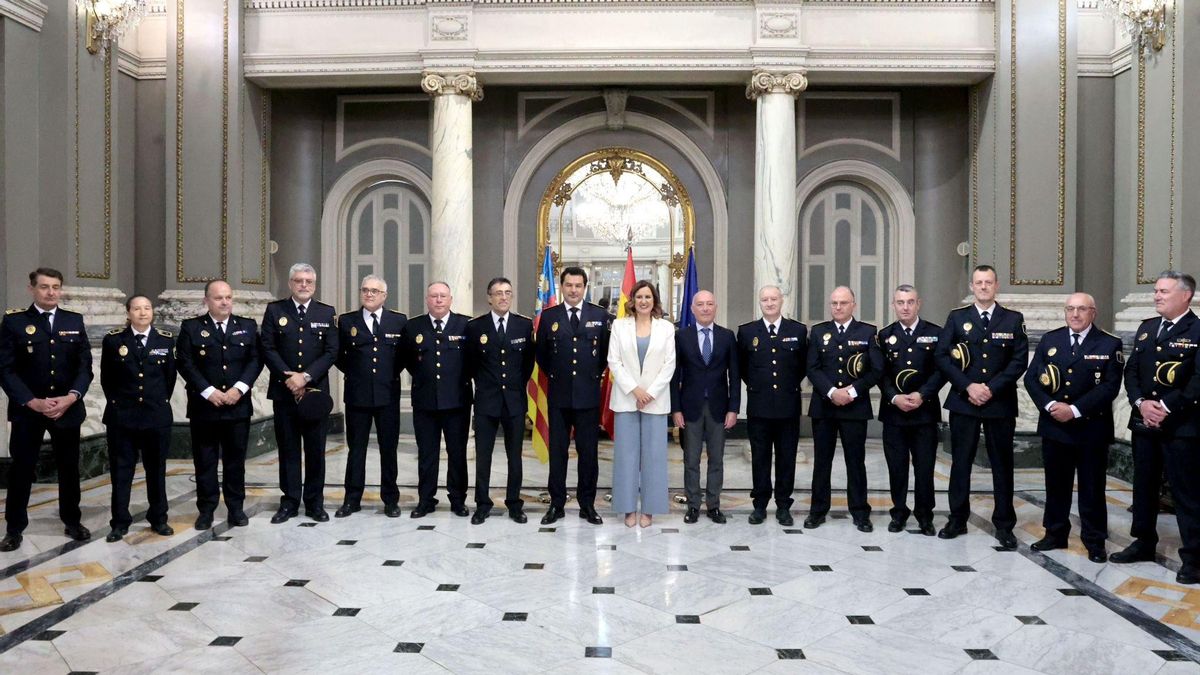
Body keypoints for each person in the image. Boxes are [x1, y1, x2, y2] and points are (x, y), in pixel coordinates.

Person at [1023, 293, 1122, 564]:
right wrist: (1050, 405)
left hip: (1091, 428)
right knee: (1056, 485)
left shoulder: (1109, 343)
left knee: (1092, 487)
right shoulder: (1050, 340)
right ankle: (1055, 533)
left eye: (1081, 309)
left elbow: (1110, 387)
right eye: (1070, 309)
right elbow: (1032, 379)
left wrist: (1075, 410)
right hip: (1055, 425)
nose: (1075, 314)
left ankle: (1094, 540)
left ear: (1093, 312)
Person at [1115, 271, 1200, 584]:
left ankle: (1194, 557)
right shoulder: (1147, 328)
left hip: (1182, 426)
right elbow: (1132, 371)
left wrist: (1164, 406)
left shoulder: (1197, 330)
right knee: (1144, 486)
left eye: (1164, 291)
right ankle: (1143, 542)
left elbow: (1198, 380)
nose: (1157, 296)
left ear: (1185, 296)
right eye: (1156, 291)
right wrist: (1141, 403)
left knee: (1186, 493)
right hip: (1145, 422)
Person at [0, 268, 94, 551]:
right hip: (28, 410)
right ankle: (14, 529)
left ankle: (72, 521)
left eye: (55, 287)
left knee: (69, 468)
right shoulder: (15, 321)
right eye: (44, 287)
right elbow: (6, 369)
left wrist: (71, 397)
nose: (51, 292)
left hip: (67, 409)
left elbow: (84, 367)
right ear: (32, 289)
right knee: (21, 469)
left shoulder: (73, 320)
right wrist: (32, 401)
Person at [935, 264, 1028, 549]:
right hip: (965, 401)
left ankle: (1004, 525)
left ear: (996, 285)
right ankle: (957, 519)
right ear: (972, 287)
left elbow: (1019, 360)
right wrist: (968, 386)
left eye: (988, 282)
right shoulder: (957, 317)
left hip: (999, 402)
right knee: (961, 462)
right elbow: (942, 356)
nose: (984, 287)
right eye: (979, 282)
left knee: (1002, 465)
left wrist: (991, 388)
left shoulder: (1012, 319)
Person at [176, 280, 263, 530]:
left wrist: (239, 389)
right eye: (218, 298)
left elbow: (255, 360)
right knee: (205, 461)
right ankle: (206, 510)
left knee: (235, 461)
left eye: (228, 297)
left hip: (237, 406)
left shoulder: (246, 326)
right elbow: (185, 362)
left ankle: (236, 508)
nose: (225, 302)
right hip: (205, 407)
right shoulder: (191, 327)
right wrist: (208, 391)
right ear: (206, 301)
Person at [260, 263, 339, 524]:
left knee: (316, 450)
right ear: (290, 283)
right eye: (298, 280)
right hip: (284, 394)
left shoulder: (326, 312)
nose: (303, 285)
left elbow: (331, 351)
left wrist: (305, 377)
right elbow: (267, 347)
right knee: (288, 450)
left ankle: (315, 503)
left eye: (308, 281)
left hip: (315, 394)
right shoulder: (275, 310)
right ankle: (290, 502)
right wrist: (290, 378)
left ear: (314, 285)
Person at [535, 266, 612, 525]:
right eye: (568, 285)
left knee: (588, 454)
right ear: (561, 287)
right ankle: (556, 504)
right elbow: (542, 355)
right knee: (558, 453)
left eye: (578, 285)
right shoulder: (549, 316)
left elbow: (604, 355)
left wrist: (590, 377)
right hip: (558, 396)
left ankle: (587, 505)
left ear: (585, 287)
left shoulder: (599, 315)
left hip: (588, 397)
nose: (573, 290)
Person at [804, 286, 883, 532]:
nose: (838, 307)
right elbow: (812, 367)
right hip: (824, 407)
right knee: (822, 461)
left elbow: (876, 369)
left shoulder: (868, 332)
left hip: (854, 407)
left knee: (855, 461)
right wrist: (831, 392)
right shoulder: (819, 332)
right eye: (834, 303)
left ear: (853, 305)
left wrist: (852, 391)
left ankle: (860, 512)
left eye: (843, 303)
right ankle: (817, 511)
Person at [100, 295, 178, 542]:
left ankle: (159, 518)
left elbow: (169, 379)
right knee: (121, 471)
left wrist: (155, 402)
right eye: (137, 308)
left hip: (156, 416)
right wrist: (122, 404)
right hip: (122, 417)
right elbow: (107, 379)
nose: (143, 313)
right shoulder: (114, 340)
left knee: (157, 470)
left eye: (147, 308)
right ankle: (119, 522)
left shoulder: (165, 340)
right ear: (128, 313)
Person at [334, 275, 407, 519]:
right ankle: (352, 499)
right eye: (365, 290)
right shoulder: (346, 321)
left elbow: (403, 357)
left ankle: (391, 500)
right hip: (357, 395)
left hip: (388, 395)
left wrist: (386, 375)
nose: (369, 294)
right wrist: (358, 374)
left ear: (384, 296)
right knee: (356, 450)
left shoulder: (398, 321)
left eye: (375, 291)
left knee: (389, 449)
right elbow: (338, 355)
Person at [464, 277, 535, 524]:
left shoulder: (523, 325)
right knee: (483, 457)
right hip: (486, 402)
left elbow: (527, 364)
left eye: (507, 292)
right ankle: (482, 504)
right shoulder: (475, 327)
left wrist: (514, 387)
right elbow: (470, 364)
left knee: (515, 457)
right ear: (489, 297)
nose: (503, 297)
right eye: (498, 293)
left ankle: (514, 504)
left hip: (514, 401)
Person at [607, 281, 676, 528]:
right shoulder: (619, 325)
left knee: (654, 457)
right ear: (632, 301)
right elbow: (614, 361)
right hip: (626, 399)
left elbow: (669, 364)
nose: (643, 301)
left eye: (648, 297)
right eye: (639, 297)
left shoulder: (666, 328)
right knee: (626, 456)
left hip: (655, 401)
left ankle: (649, 509)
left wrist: (650, 393)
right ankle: (627, 508)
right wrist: (635, 390)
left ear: (654, 300)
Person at [737, 285, 807, 526]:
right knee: (760, 457)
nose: (769, 303)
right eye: (765, 299)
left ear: (781, 301)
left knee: (787, 457)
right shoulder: (747, 332)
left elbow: (802, 366)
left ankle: (783, 505)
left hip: (788, 406)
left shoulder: (797, 330)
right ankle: (759, 504)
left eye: (773, 299)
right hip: (759, 406)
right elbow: (743, 368)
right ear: (760, 302)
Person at [877, 285, 944, 536]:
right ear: (893, 305)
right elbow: (880, 373)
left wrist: (922, 394)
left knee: (924, 468)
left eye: (910, 302)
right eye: (900, 302)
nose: (905, 307)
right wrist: (894, 397)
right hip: (894, 413)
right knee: (897, 467)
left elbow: (941, 370)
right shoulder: (884, 335)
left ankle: (925, 516)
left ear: (919, 304)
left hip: (924, 413)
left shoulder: (935, 333)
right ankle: (899, 513)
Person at [402, 281, 472, 518]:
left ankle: (458, 499)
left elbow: (473, 360)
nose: (439, 300)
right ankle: (426, 500)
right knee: (427, 454)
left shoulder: (466, 325)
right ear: (427, 300)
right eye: (434, 296)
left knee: (457, 453)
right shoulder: (413, 327)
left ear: (450, 299)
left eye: (443, 296)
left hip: (458, 401)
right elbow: (408, 360)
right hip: (425, 401)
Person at [671, 290, 739, 525]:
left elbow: (734, 376)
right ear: (692, 309)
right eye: (700, 304)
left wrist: (734, 409)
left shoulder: (727, 336)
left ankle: (714, 505)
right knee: (691, 460)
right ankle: (693, 505)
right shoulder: (681, 337)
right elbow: (674, 375)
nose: (705, 308)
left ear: (715, 307)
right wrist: (676, 409)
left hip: (719, 408)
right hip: (690, 408)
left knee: (716, 460)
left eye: (710, 304)